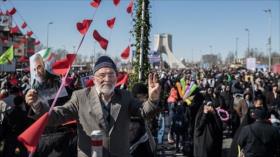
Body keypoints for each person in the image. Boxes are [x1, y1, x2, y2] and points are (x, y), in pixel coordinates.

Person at [25, 55, 161, 157]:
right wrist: (37, 104)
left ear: (116, 78)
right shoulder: (80, 97)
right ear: (94, 78)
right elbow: (56, 116)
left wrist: (153, 98)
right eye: (102, 75)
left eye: (111, 75)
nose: (107, 79)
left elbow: (144, 111)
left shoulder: (125, 96)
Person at [26, 53, 77, 157]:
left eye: (39, 67)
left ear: (45, 65)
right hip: (44, 139)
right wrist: (33, 104)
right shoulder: (31, 91)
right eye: (34, 69)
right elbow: (32, 117)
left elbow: (70, 109)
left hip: (64, 138)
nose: (37, 72)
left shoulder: (62, 87)